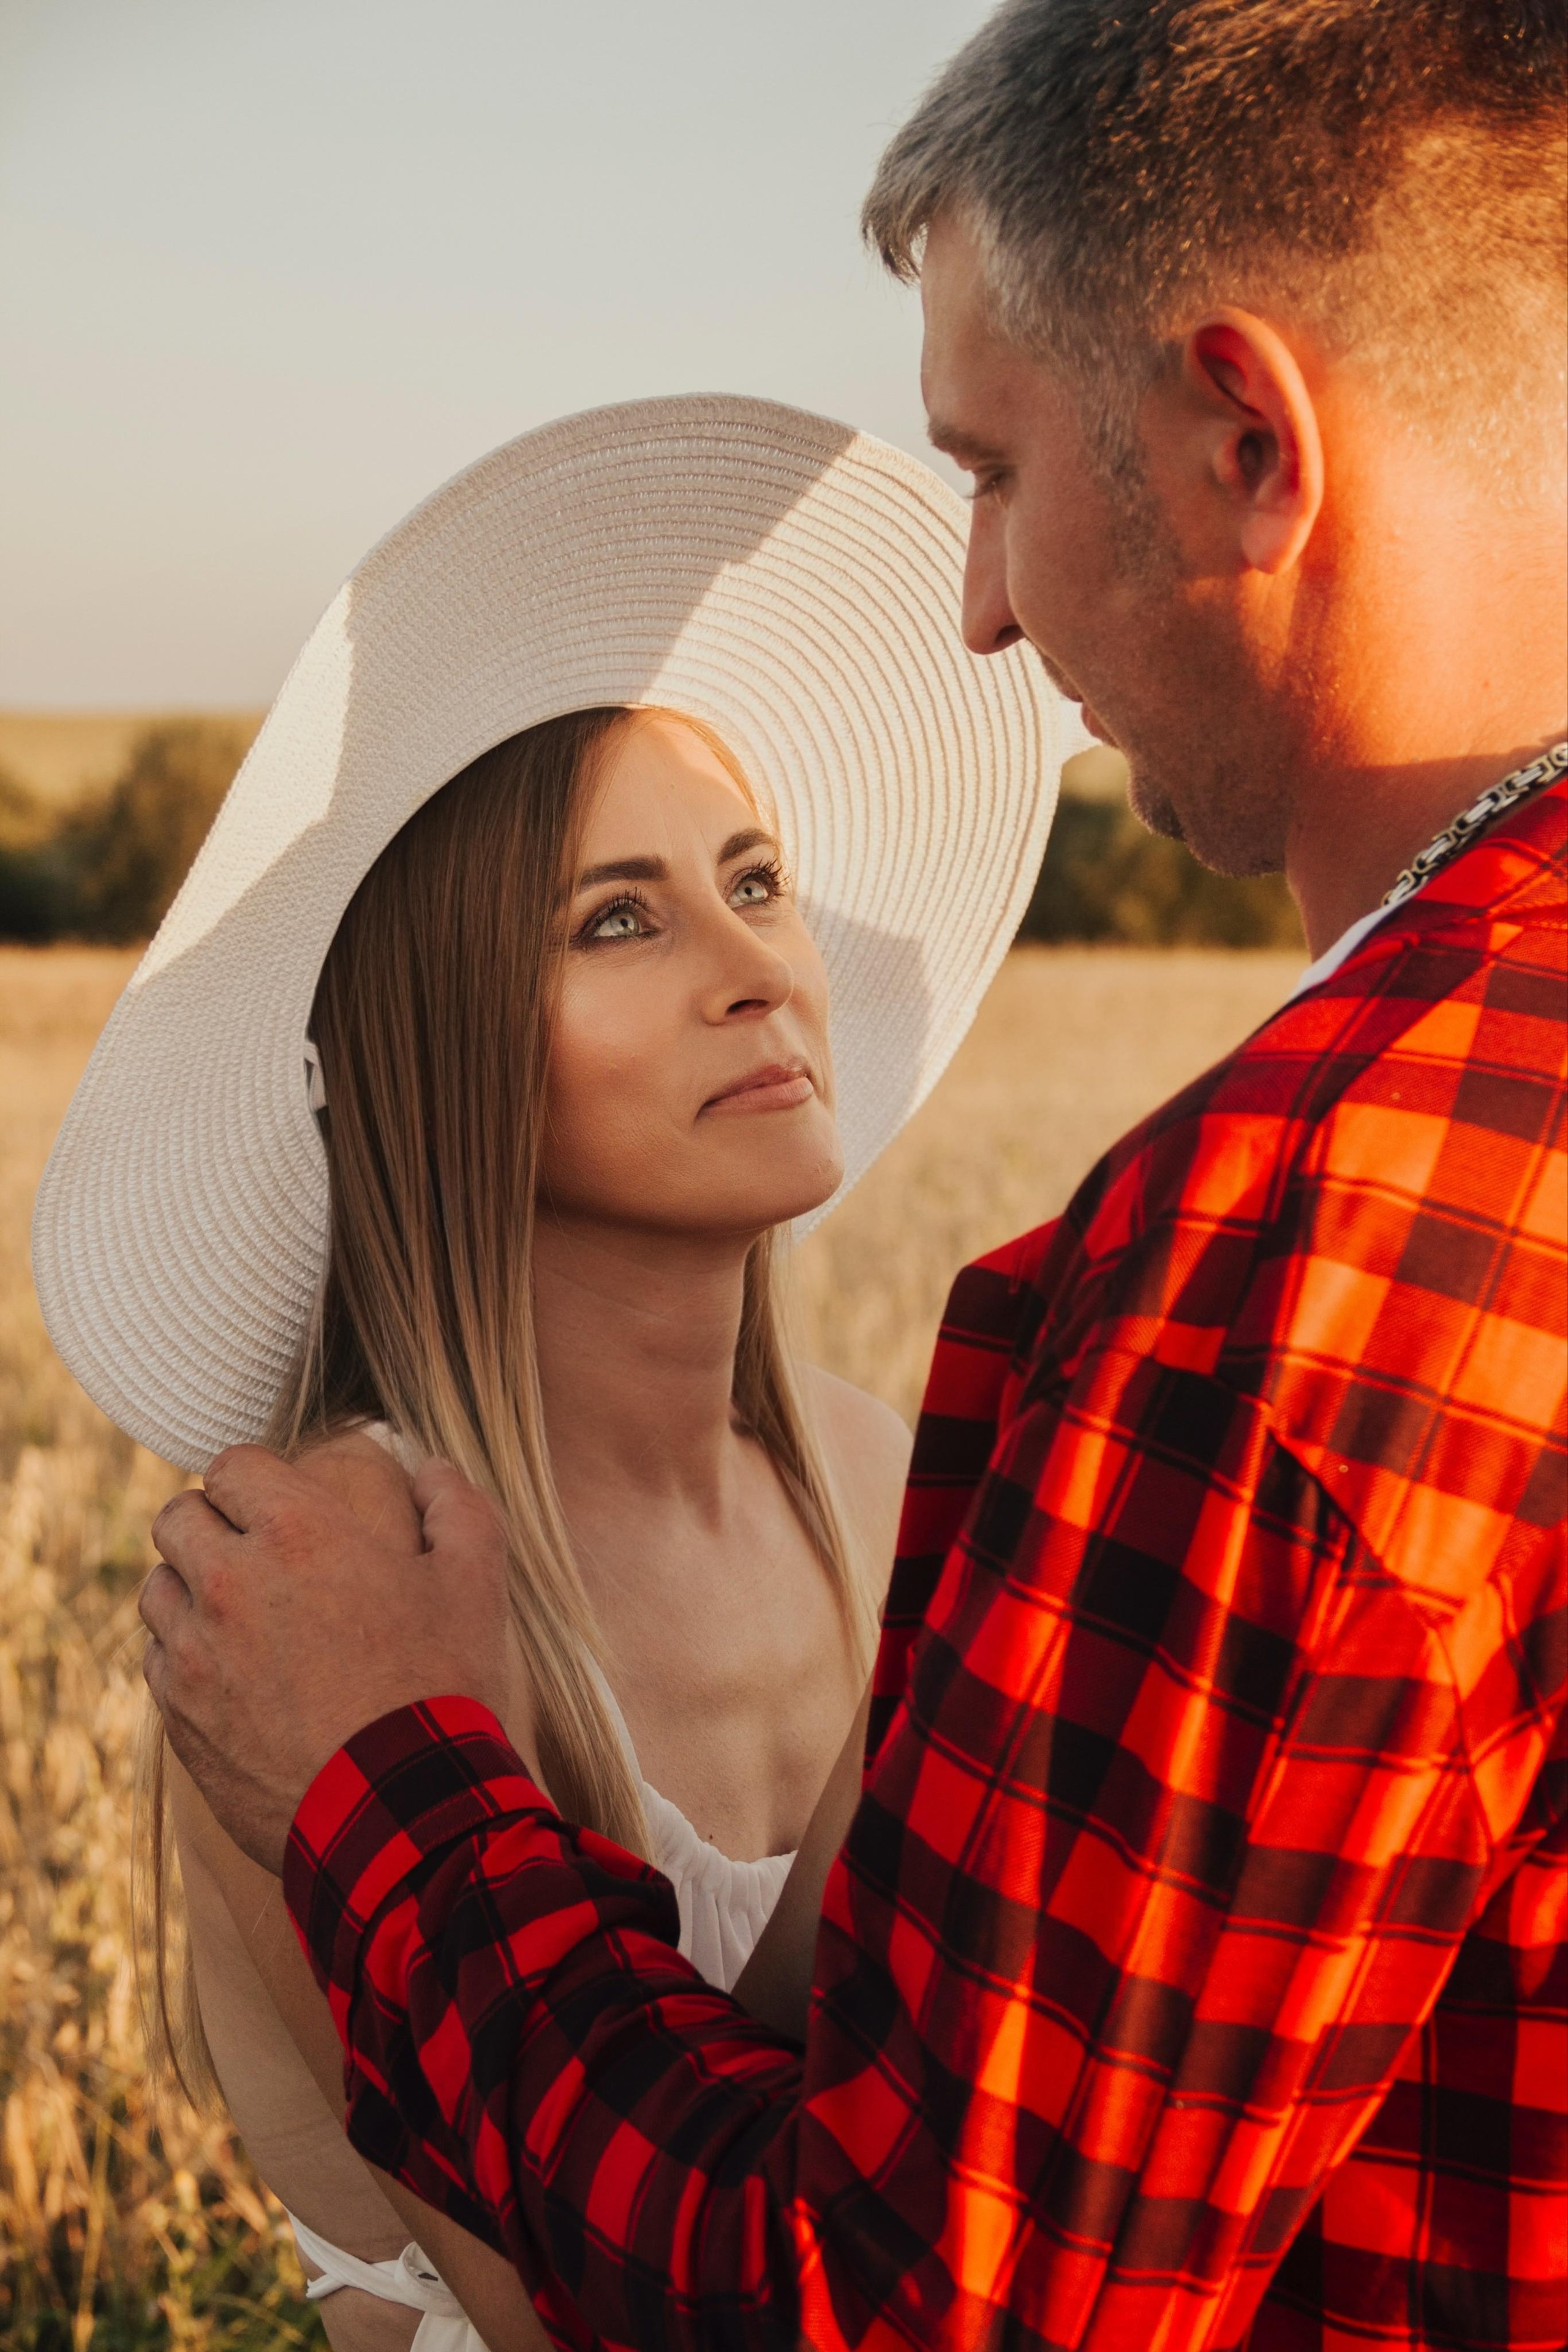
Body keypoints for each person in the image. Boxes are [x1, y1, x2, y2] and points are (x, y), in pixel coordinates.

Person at [134, 2, 1565, 2347]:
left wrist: (393, 1791)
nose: (985, 601)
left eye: (994, 472)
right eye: (617, 912)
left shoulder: (1285, 1278)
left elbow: (905, 2308)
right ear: (436, 1048)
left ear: (1242, 437)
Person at [32, 396, 1074, 2350]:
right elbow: (570, 2306)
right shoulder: (316, 1593)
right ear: (446, 1045)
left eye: (754, 880)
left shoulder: (902, 1476)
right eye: (618, 918)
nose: (756, 964)